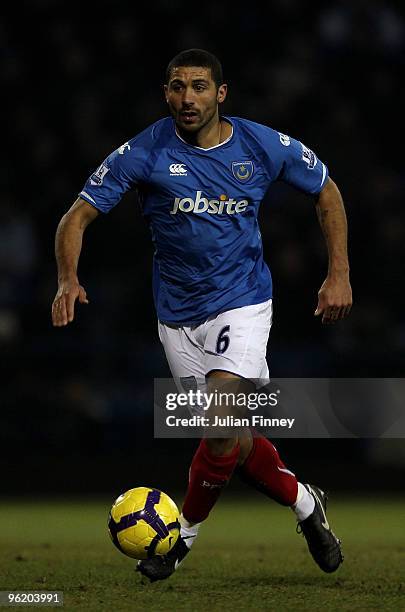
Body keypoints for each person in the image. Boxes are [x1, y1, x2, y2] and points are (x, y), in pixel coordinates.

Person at [52, 49, 352, 582]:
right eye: (175, 86)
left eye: (197, 86)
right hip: (176, 318)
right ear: (165, 92)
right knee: (231, 442)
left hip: (243, 302)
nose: (186, 97)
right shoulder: (144, 152)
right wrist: (68, 279)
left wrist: (339, 273)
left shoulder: (261, 145)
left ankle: (179, 540)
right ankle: (306, 503)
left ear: (221, 93)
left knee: (217, 426)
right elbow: (76, 216)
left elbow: (326, 189)